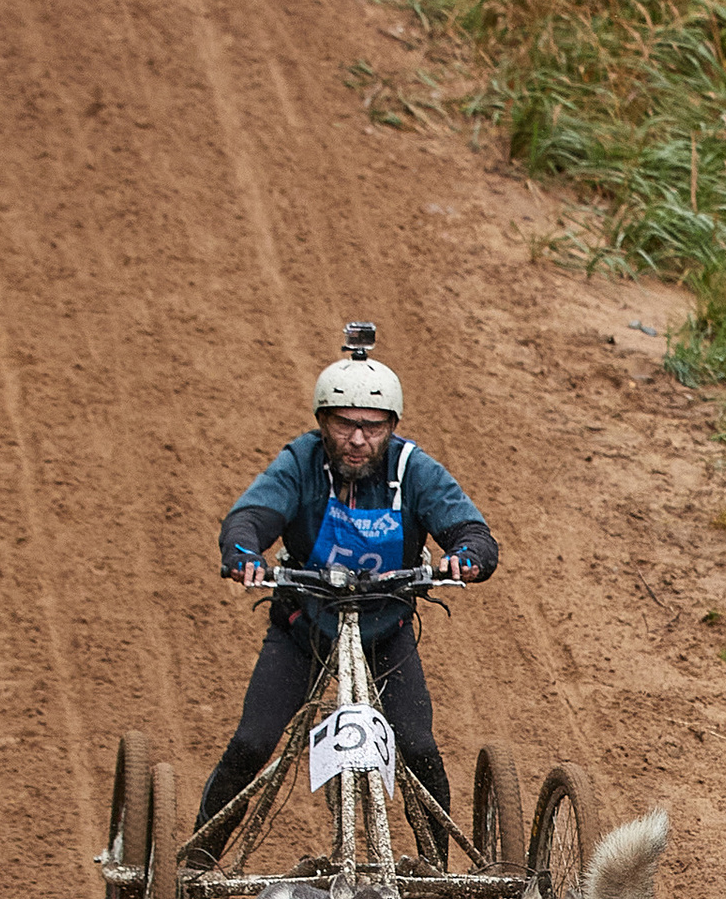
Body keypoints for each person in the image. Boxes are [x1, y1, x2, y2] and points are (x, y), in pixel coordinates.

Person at [191, 331, 499, 867]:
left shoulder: (412, 470)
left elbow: (471, 531)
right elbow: (253, 515)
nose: (358, 439)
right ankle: (197, 860)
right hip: (303, 626)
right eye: (344, 424)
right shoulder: (301, 462)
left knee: (420, 749)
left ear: (392, 427)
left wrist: (467, 556)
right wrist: (242, 550)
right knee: (252, 742)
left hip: (386, 631)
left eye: (372, 426)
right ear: (323, 422)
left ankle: (437, 873)